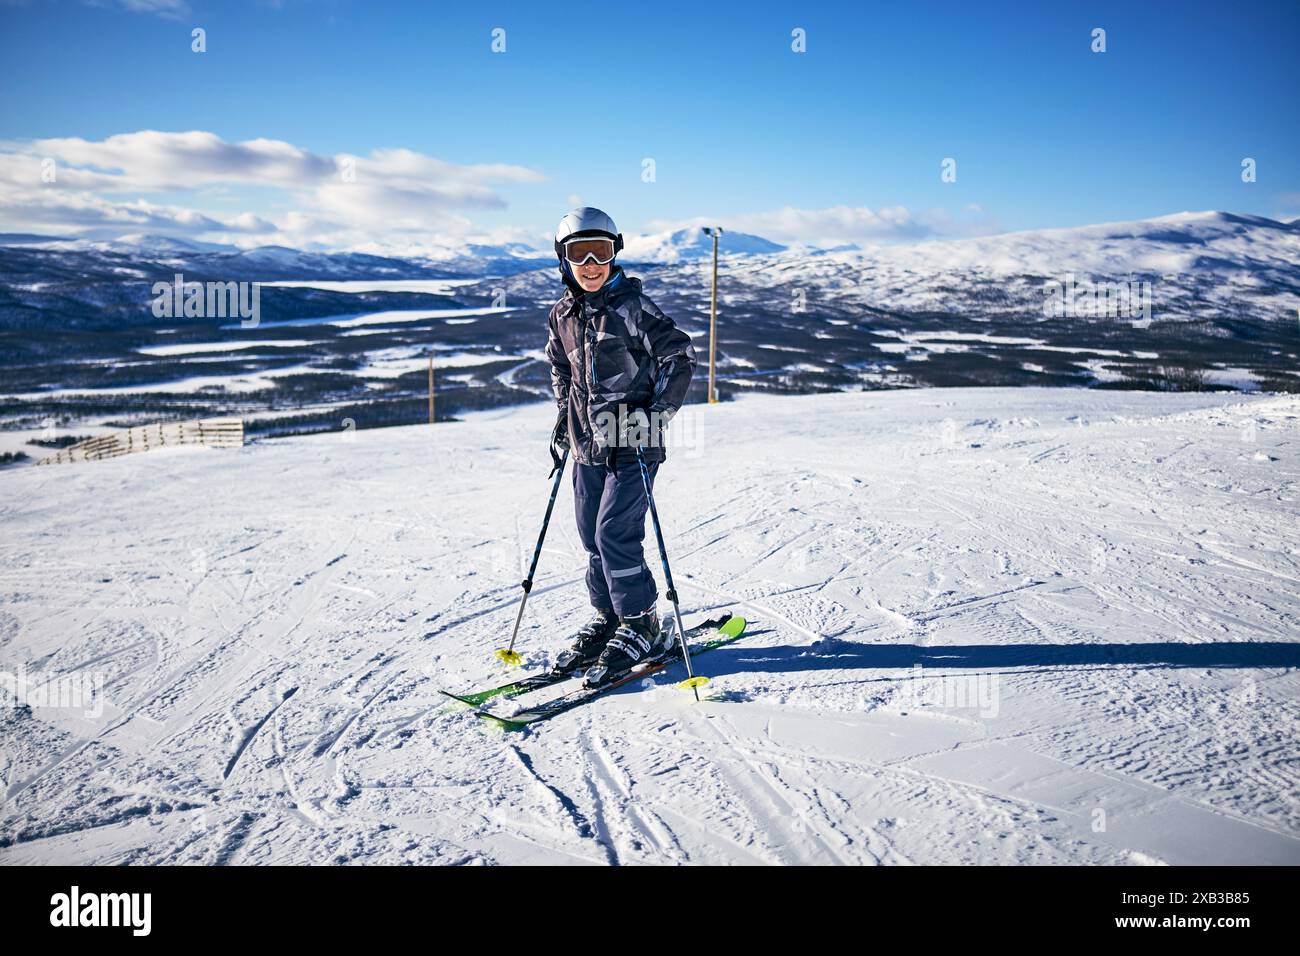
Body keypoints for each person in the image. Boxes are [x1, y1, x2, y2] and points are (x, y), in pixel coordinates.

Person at [545, 207, 697, 687]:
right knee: (591, 534)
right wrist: (562, 415)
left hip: (634, 442)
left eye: (602, 252)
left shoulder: (633, 308)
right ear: (563, 260)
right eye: (579, 253)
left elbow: (680, 355)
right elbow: (561, 369)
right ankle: (610, 616)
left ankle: (642, 622)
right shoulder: (562, 315)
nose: (591, 263)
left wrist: (657, 415)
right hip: (586, 443)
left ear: (616, 253)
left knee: (615, 531)